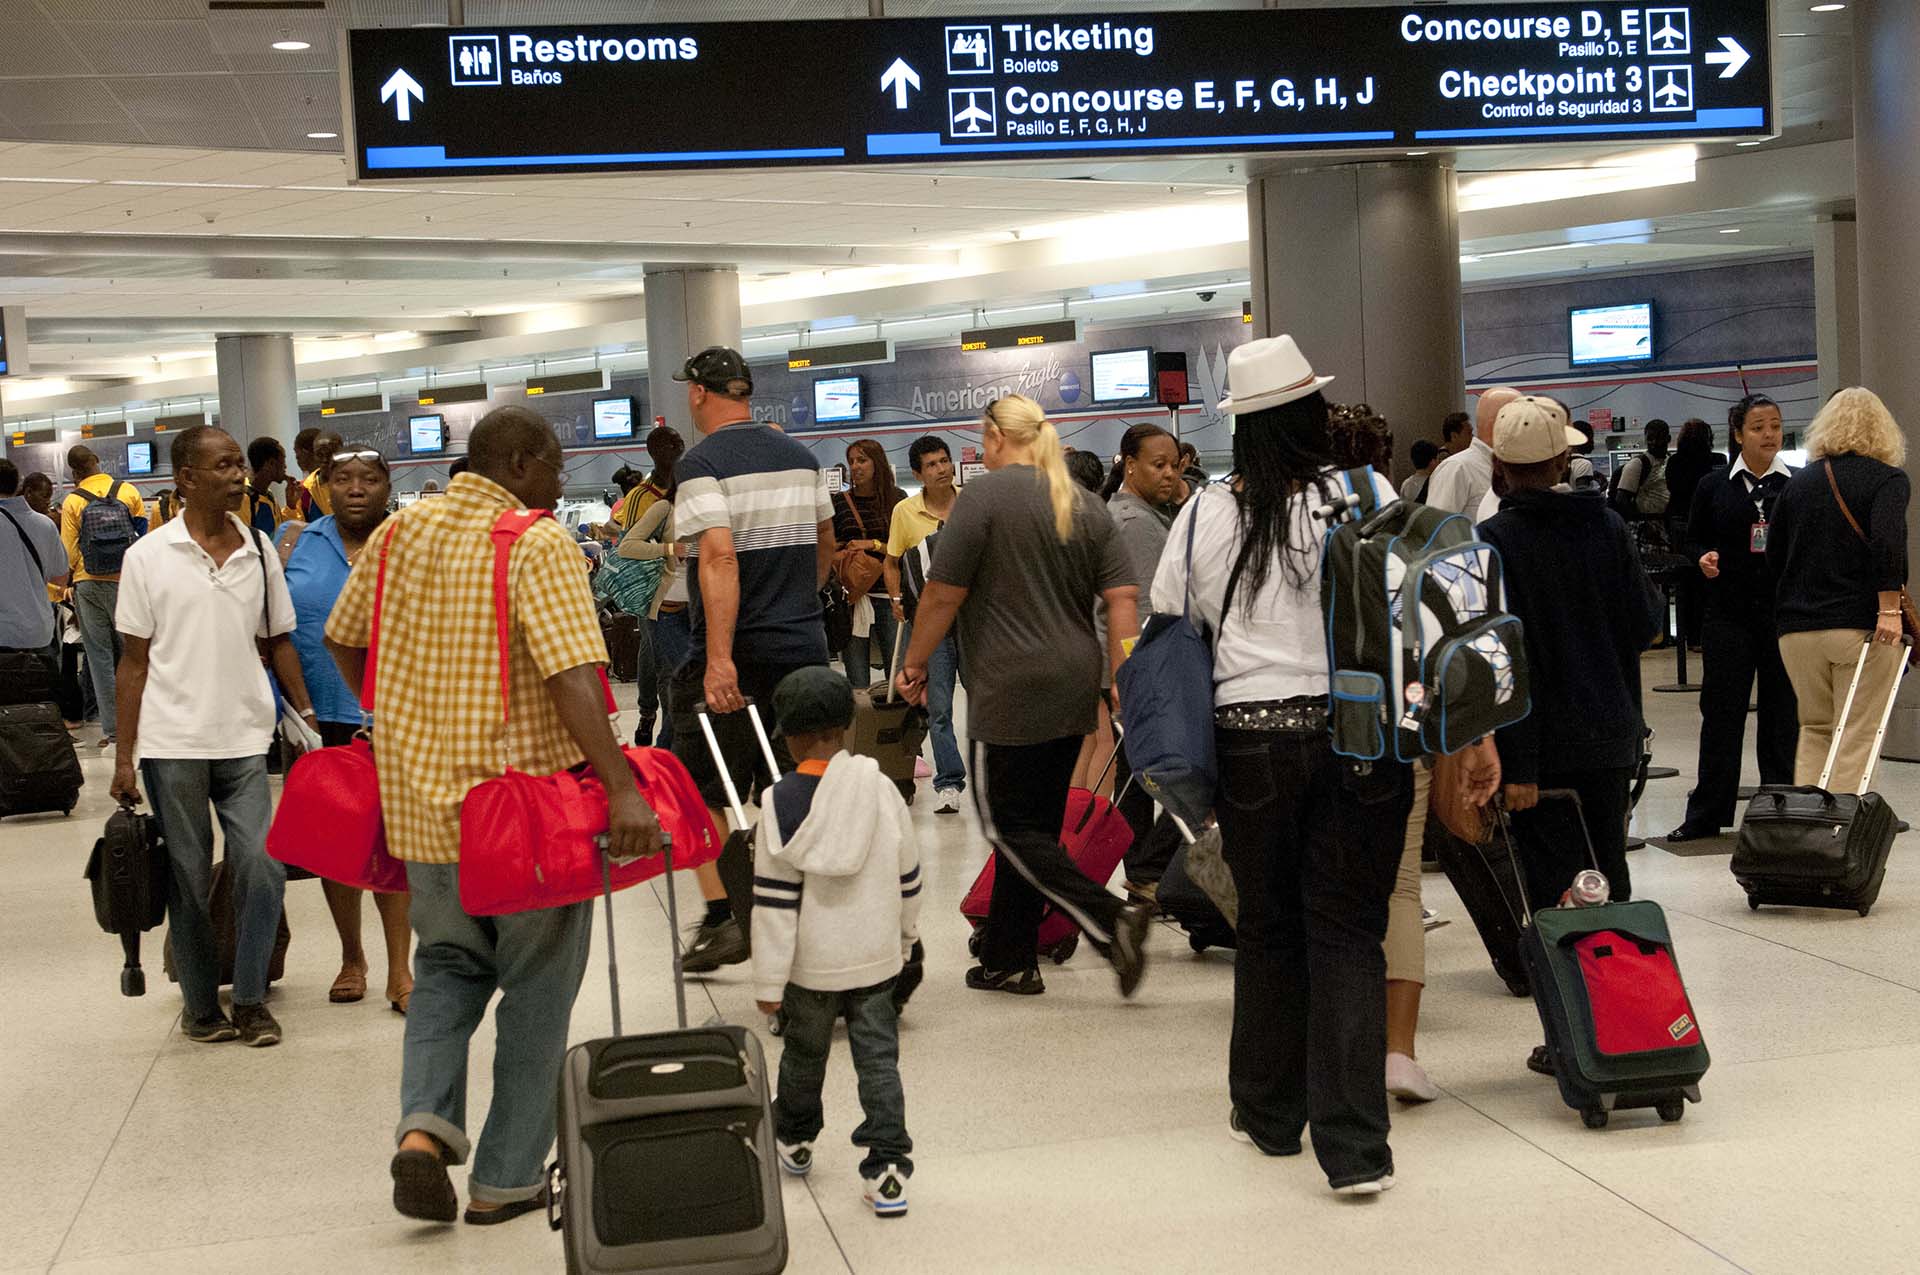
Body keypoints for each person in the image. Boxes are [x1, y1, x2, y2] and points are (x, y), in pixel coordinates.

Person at [323, 405, 662, 1226]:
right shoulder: (534, 540)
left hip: (422, 811)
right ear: (516, 461)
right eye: (551, 467)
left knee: (444, 972)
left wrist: (399, 709)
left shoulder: (399, 534)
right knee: (539, 992)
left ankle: (421, 1134)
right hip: (522, 818)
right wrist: (622, 788)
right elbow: (574, 675)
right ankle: (506, 1178)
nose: (555, 485)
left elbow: (342, 637)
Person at [1152, 337, 1466, 1195]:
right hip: (1358, 735)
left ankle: (1266, 1113)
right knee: (1347, 931)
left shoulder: (1208, 510)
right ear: (1311, 417)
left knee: (1266, 924)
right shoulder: (1360, 496)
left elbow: (1173, 615)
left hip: (1249, 737)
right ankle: (1357, 1146)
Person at [897, 393, 1152, 999]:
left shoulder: (981, 499)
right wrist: (1123, 677)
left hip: (1008, 689)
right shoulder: (1085, 504)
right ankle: (1010, 958)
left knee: (1007, 827)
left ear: (993, 437)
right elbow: (1123, 602)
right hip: (1073, 685)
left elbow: (940, 596)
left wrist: (912, 662)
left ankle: (1111, 922)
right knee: (1034, 824)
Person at [109, 425, 317, 1048]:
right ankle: (202, 1006)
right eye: (224, 465)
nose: (238, 474)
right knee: (189, 876)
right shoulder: (147, 556)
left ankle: (250, 999)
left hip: (246, 735)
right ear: (187, 478)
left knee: (262, 868)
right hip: (172, 744)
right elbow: (133, 664)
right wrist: (125, 758)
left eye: (238, 464)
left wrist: (304, 720)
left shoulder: (257, 546)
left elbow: (278, 640)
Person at [667, 346, 835, 974]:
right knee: (797, 786)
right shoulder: (801, 457)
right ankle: (806, 910)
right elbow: (824, 543)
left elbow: (718, 556)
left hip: (739, 656)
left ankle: (725, 916)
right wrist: (800, 604)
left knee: (694, 790)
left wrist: (717, 658)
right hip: (805, 651)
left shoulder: (701, 462)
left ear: (699, 394)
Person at [1478, 395, 1660, 963]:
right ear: (1562, 465)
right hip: (1609, 736)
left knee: (1551, 893)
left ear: (1500, 468)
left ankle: (1571, 1033)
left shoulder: (1491, 544)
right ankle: (1623, 1014)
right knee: (1610, 874)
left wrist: (1520, 765)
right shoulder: (1606, 528)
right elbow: (1647, 626)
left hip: (1537, 751)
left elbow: (1502, 665)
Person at [751, 666, 920, 1217]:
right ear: (848, 727)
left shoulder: (777, 804)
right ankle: (888, 1168)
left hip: (809, 969)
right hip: (874, 960)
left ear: (791, 737)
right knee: (878, 1063)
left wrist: (768, 982)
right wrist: (905, 938)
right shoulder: (879, 788)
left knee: (803, 1057)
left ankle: (796, 1138)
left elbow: (774, 907)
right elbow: (908, 875)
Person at [282, 444, 413, 1014]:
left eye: (368, 478)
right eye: (342, 479)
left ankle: (401, 969)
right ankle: (351, 957)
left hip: (400, 716)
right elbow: (277, 630)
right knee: (337, 845)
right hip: (322, 716)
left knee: (394, 841)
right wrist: (297, 709)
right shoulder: (295, 542)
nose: (356, 487)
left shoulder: (412, 540)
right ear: (323, 488)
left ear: (387, 486)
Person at [1667, 394, 1798, 842]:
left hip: (1781, 618)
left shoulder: (1794, 486)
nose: (1769, 435)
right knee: (1722, 714)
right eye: (1759, 427)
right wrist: (1699, 556)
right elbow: (1689, 538)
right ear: (1739, 434)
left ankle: (1779, 810)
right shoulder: (1713, 485)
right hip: (1728, 615)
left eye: (1776, 426)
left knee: (1782, 716)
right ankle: (1707, 812)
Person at [1770, 387, 1911, 791]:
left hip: (1796, 632)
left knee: (1815, 728)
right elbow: (1888, 543)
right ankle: (1838, 834)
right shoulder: (1888, 479)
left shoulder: (1797, 483)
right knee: (1857, 735)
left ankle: (1806, 830)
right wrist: (1889, 609)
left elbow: (1773, 555)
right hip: (1860, 628)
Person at [1100, 423, 1186, 898]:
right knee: (1184, 771)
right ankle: (1148, 867)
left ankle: (1143, 869)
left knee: (1134, 776)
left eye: (1174, 465)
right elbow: (1142, 610)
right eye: (1159, 465)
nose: (1170, 474)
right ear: (1129, 465)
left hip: (1130, 670)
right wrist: (1134, 675)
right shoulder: (1135, 524)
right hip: (1142, 668)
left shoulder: (1137, 513)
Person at [883, 434, 966, 813]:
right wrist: (898, 598)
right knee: (940, 706)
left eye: (944, 461)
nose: (942, 469)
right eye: (932, 464)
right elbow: (891, 560)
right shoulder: (905, 512)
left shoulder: (972, 504)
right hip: (931, 624)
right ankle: (949, 782)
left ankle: (990, 779)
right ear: (918, 473)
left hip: (976, 621)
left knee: (986, 704)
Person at [60, 445, 145, 750]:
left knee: (100, 660)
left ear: (75, 472)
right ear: (98, 462)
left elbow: (68, 553)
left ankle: (113, 731)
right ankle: (140, 723)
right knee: (134, 656)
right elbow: (142, 538)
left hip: (89, 584)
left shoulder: (72, 501)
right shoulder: (128, 491)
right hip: (127, 584)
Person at [613, 426, 688, 747]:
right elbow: (627, 543)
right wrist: (668, 549)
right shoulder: (643, 497)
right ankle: (650, 718)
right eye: (672, 444)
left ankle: (674, 740)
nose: (677, 448)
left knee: (676, 672)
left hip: (691, 601)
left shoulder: (694, 499)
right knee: (658, 663)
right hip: (656, 594)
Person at [833, 439, 902, 688]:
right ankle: (863, 727)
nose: (855, 467)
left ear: (877, 463)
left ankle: (900, 726)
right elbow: (831, 543)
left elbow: (903, 548)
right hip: (853, 597)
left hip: (889, 595)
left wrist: (873, 545)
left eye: (862, 460)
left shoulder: (897, 499)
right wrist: (844, 550)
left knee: (897, 677)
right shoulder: (839, 501)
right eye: (851, 461)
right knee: (857, 682)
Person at [0, 458, 70, 678]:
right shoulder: (45, 524)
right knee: (37, 701)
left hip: (3, 634)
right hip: (39, 632)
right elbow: (60, 577)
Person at [1664, 419, 1722, 649]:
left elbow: (1673, 491)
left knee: (1684, 583)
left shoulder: (1674, 463)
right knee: (1709, 581)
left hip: (1679, 524)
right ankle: (1707, 634)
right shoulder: (1717, 461)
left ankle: (1688, 635)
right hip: (1709, 525)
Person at [1425, 386, 1519, 516]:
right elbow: (1438, 530)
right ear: (1497, 422)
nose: (1526, 427)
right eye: (1519, 419)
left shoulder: (1517, 469)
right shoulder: (1456, 468)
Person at [1612, 418, 1672, 522]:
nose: (1654, 442)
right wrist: (1638, 521)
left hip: (1666, 523)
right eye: (1650, 438)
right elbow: (1621, 499)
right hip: (1645, 526)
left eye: (1659, 438)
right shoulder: (1637, 464)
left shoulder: (1671, 462)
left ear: (1668, 439)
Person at [245, 437, 292, 537]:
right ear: (270, 464)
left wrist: (291, 505)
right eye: (283, 461)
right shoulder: (243, 499)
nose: (285, 467)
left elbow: (279, 533)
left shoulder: (269, 496)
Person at [298, 430, 342, 519]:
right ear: (314, 455)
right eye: (320, 454)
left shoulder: (354, 484)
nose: (325, 459)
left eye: (330, 454)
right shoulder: (305, 490)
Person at [1400, 439, 1442, 504]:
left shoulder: (1406, 484)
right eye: (1438, 459)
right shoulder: (1438, 483)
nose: (1439, 463)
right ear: (1432, 462)